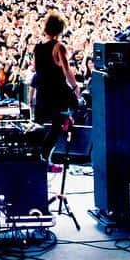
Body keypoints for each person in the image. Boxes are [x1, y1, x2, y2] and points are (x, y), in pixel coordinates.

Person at [31, 11, 80, 170]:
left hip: (42, 91)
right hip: (57, 92)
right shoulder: (59, 47)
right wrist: (75, 87)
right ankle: (45, 156)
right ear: (60, 29)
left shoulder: (38, 48)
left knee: (40, 126)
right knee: (59, 123)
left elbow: (36, 70)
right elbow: (67, 71)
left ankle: (39, 157)